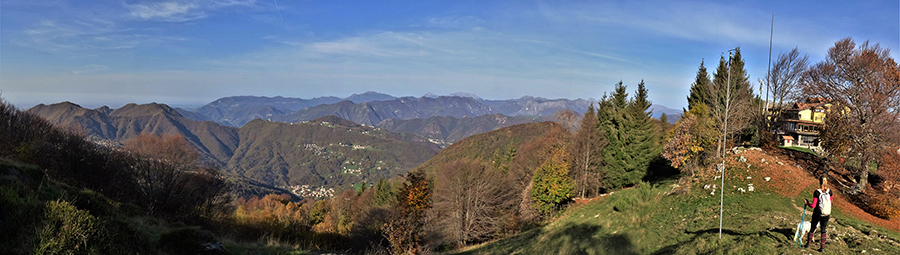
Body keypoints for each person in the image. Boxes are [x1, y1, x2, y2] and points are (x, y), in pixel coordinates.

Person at [804, 176, 833, 252]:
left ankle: (808, 244)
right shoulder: (830, 192)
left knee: (812, 228)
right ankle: (822, 248)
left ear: (819, 182)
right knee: (823, 230)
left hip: (818, 213)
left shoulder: (817, 192)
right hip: (826, 214)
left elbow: (813, 205)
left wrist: (807, 203)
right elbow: (831, 203)